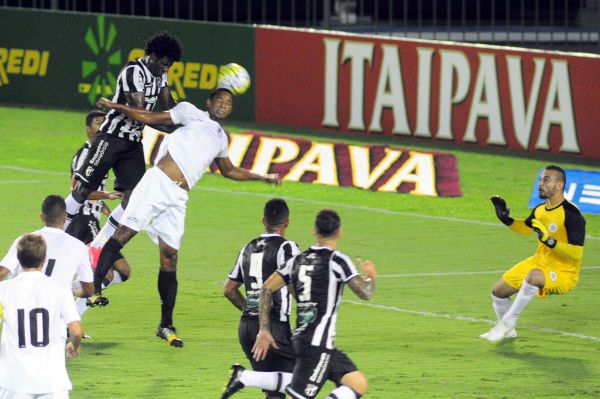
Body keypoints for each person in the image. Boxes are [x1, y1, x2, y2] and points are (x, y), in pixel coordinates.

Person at [90, 88, 281, 348]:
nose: (224, 105)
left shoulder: (220, 138)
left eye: (229, 103)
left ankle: (165, 325)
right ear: (209, 102)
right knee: (123, 234)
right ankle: (95, 287)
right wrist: (118, 106)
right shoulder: (190, 113)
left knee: (170, 258)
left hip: (179, 197)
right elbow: (151, 117)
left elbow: (229, 170)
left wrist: (262, 177)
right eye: (220, 100)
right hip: (158, 183)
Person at [221, 209, 377, 399]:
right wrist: (370, 276)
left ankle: (245, 377)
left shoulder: (297, 260)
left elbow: (266, 288)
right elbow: (365, 293)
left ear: (314, 231)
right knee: (301, 391)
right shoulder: (338, 261)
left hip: (304, 338)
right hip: (318, 344)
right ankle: (245, 377)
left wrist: (264, 329)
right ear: (339, 233)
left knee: (356, 382)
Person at [64, 31, 183, 254]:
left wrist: (186, 118)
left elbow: (169, 103)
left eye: (170, 66)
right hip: (111, 138)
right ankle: (54, 235)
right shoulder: (132, 72)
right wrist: (170, 128)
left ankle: (97, 246)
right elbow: (138, 114)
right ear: (153, 55)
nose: (166, 69)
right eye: (165, 64)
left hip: (132, 143)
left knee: (134, 199)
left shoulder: (161, 75)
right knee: (83, 189)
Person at [480, 165, 586, 342]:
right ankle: (509, 333)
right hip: (539, 261)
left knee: (533, 276)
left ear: (559, 185)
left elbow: (577, 254)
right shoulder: (539, 209)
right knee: (497, 292)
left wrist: (550, 242)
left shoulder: (571, 214)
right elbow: (526, 228)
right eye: (540, 179)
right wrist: (506, 220)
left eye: (546, 179)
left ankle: (507, 323)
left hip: (564, 272)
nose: (540, 183)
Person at [224, 198, 300, 399]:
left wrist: (251, 311)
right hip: (273, 327)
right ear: (287, 222)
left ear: (263, 220)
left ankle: (244, 378)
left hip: (247, 328)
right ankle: (243, 377)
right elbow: (294, 285)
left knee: (275, 390)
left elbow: (229, 289)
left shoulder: (247, 248)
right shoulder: (287, 248)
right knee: (302, 381)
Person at [0, 234, 83, 398]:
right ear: (44, 259)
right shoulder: (60, 288)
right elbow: (76, 330)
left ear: (18, 258)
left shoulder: (4, 289)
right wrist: (75, 345)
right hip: (53, 382)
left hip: (14, 381)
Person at [66, 111, 131, 315]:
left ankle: (70, 290)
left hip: (94, 220)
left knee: (123, 271)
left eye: (104, 123)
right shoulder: (85, 153)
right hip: (83, 221)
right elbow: (76, 189)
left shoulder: (101, 153)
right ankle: (70, 311)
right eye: (97, 123)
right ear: (88, 129)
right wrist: (105, 195)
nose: (102, 126)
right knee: (107, 274)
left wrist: (105, 207)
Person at [0, 195, 94, 301]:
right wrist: (69, 291)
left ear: (42, 217)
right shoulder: (79, 247)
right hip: (59, 311)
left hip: (26, 310)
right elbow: (89, 290)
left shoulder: (25, 240)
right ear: (65, 216)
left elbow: (2, 272)